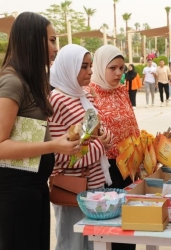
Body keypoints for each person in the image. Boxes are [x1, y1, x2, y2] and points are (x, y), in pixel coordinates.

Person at [0, 12, 80, 250]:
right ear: (32, 40)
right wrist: (53, 145)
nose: (55, 48)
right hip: (14, 191)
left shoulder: (30, 80)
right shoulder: (12, 82)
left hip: (33, 186)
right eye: (51, 40)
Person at [48, 44, 111, 250]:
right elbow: (62, 155)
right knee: (72, 244)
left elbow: (98, 130)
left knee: (94, 244)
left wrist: (104, 137)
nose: (90, 71)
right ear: (68, 67)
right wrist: (100, 147)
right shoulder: (57, 100)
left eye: (91, 65)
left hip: (95, 185)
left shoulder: (85, 95)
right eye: (83, 66)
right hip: (72, 188)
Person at [88, 45, 139, 250]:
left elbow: (132, 122)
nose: (118, 73)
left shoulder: (121, 90)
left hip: (128, 166)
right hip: (105, 170)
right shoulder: (89, 93)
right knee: (111, 227)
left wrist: (141, 152)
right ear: (100, 67)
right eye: (113, 68)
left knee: (129, 224)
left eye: (121, 68)